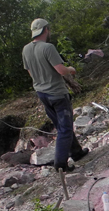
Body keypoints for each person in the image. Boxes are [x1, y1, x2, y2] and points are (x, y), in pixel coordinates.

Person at [22, 18, 88, 172]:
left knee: (61, 126)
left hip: (42, 93)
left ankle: (76, 152)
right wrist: (71, 69)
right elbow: (61, 70)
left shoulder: (26, 49)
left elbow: (30, 72)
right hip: (57, 93)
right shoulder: (48, 47)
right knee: (65, 129)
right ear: (46, 30)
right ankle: (60, 164)